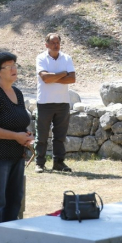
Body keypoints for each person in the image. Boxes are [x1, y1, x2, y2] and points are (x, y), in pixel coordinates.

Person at [0, 52, 34, 243]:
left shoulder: (17, 93)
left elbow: (19, 121)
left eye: (14, 65)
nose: (13, 69)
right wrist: (16, 136)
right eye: (8, 66)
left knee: (14, 198)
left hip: (16, 155)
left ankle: (10, 236)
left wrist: (25, 134)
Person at [34, 33, 76, 173]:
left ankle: (58, 162)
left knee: (60, 136)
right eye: (53, 43)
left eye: (58, 42)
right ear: (46, 45)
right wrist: (63, 74)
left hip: (63, 102)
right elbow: (45, 78)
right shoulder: (41, 58)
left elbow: (72, 79)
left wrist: (53, 77)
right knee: (42, 135)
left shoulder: (66, 58)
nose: (56, 45)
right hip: (45, 102)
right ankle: (39, 163)